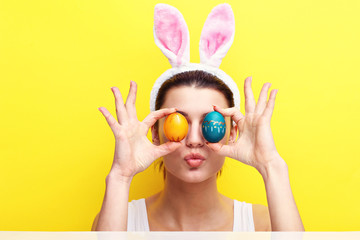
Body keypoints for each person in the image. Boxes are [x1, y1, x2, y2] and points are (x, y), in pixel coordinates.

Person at [91, 3, 305, 232]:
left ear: (232, 133)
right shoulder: (117, 220)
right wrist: (120, 176)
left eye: (210, 123)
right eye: (179, 122)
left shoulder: (265, 224)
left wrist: (271, 164)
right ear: (154, 132)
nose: (194, 140)